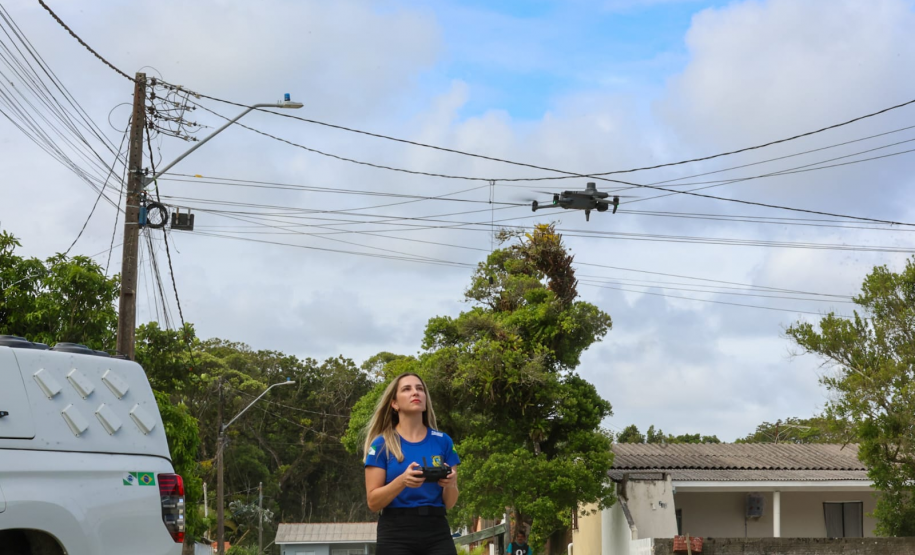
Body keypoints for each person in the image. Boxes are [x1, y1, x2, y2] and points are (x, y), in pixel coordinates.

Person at [364, 372, 460, 555]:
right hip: (395, 532)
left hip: (436, 529)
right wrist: (402, 482)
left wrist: (451, 484)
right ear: (394, 404)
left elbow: (449, 503)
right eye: (407, 389)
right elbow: (373, 502)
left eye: (420, 389)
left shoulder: (443, 441)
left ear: (426, 399)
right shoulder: (381, 444)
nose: (415, 393)